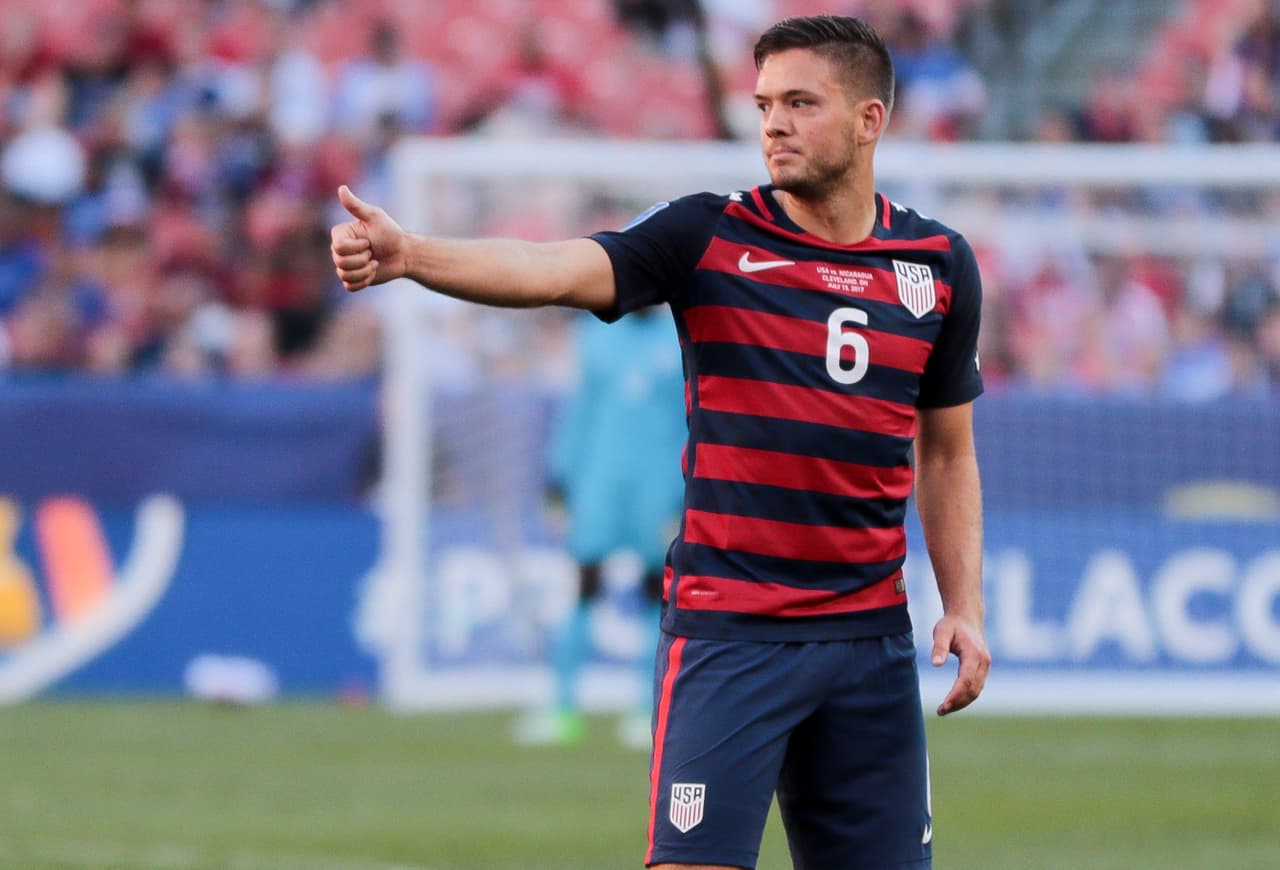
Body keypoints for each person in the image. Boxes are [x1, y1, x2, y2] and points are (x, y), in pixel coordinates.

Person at [330, 15, 990, 869]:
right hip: (730, 636)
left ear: (870, 120)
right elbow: (558, 269)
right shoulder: (709, 235)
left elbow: (945, 452)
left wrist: (963, 606)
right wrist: (413, 253)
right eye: (763, 105)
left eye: (800, 102)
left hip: (870, 645)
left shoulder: (937, 265)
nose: (774, 124)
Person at [515, 307, 687, 749]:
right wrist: (560, 479)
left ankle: (644, 710)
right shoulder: (595, 334)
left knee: (658, 592)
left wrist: (687, 489)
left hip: (659, 482)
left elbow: (693, 418)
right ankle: (564, 707)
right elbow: (580, 411)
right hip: (600, 480)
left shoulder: (682, 333)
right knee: (583, 584)